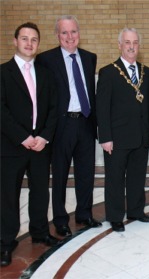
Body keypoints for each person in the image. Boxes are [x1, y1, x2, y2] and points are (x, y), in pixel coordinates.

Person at [36, 15, 101, 237]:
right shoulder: (45, 59)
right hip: (61, 125)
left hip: (85, 123)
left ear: (79, 34)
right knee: (60, 175)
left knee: (86, 173)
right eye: (64, 33)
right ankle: (61, 219)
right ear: (57, 36)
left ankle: (84, 213)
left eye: (73, 32)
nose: (69, 37)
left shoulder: (90, 57)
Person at [1, 22, 59, 267]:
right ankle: (5, 242)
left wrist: (43, 137)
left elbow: (54, 108)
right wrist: (23, 137)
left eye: (34, 39)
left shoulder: (45, 73)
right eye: (24, 38)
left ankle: (40, 231)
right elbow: (1, 111)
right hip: (11, 146)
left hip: (39, 145)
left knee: (39, 191)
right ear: (15, 41)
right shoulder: (3, 73)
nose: (29, 43)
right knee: (7, 196)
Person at [96, 28, 149, 232]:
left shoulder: (147, 71)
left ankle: (136, 211)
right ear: (120, 45)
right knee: (115, 179)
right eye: (127, 42)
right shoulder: (108, 72)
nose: (131, 46)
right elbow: (101, 108)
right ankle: (115, 216)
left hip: (141, 136)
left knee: (138, 176)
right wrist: (105, 137)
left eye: (135, 42)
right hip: (117, 138)